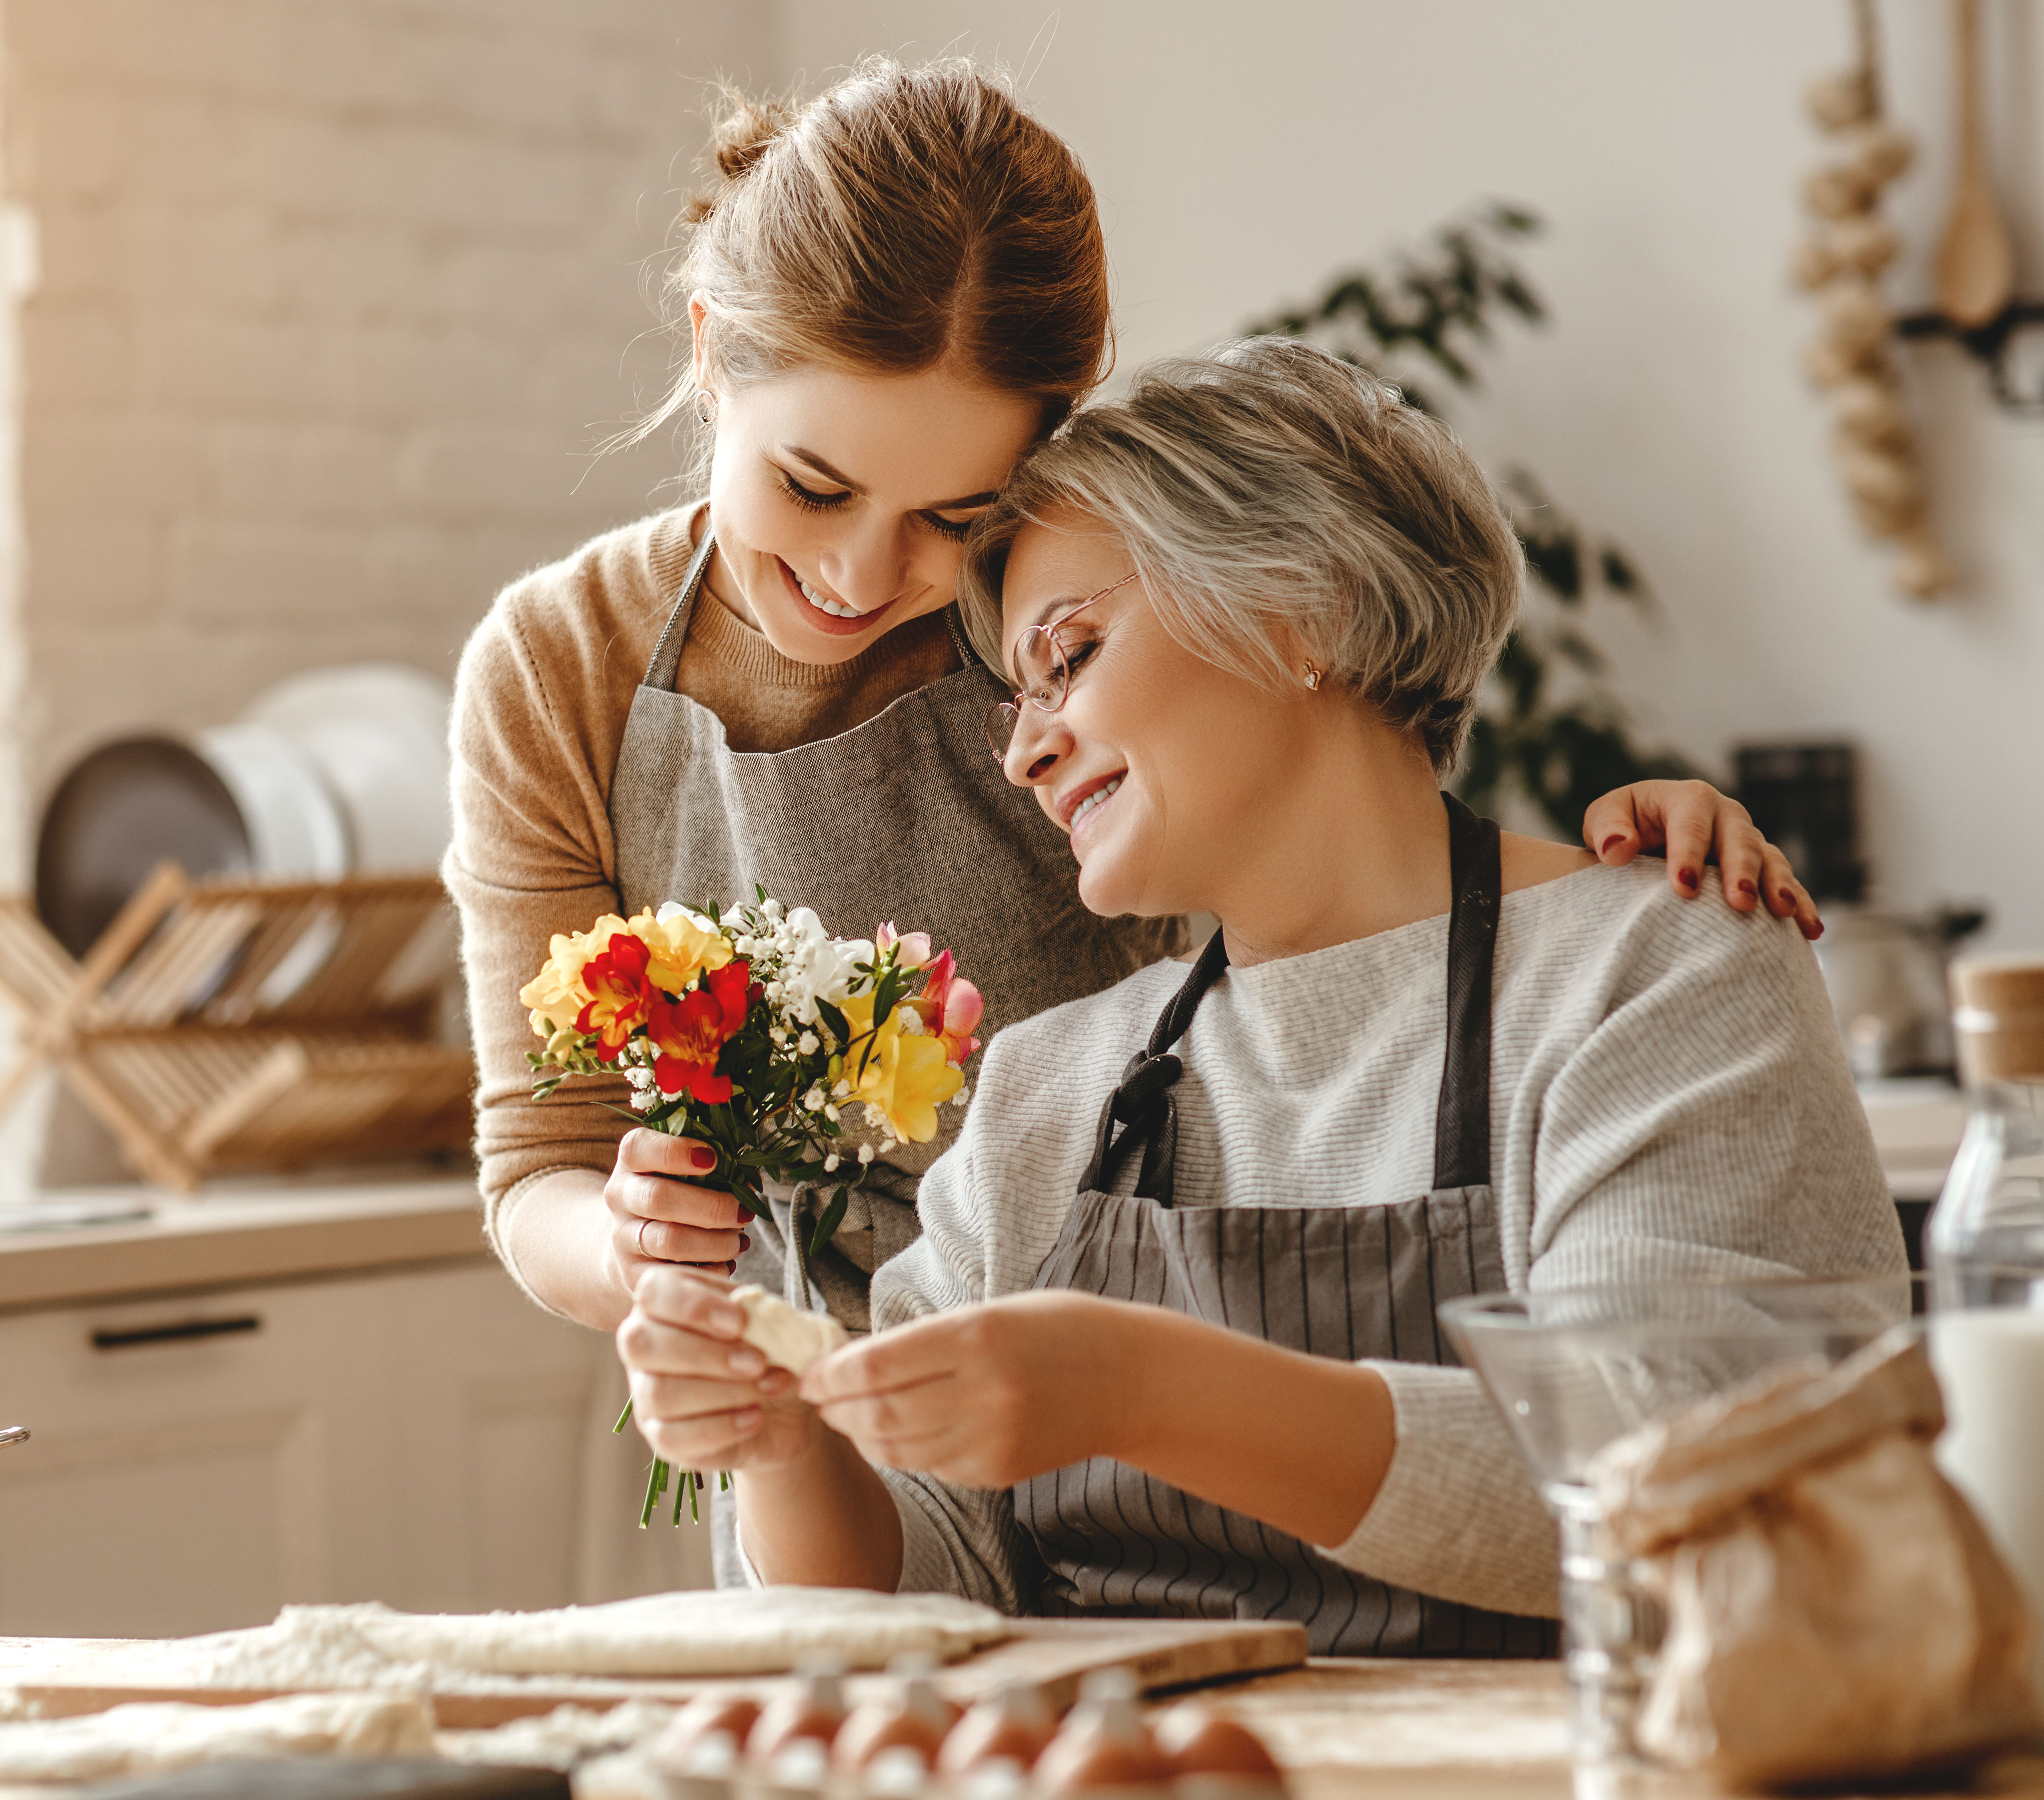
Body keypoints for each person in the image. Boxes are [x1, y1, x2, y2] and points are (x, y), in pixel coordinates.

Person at [448, 57, 1819, 1353]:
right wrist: (641, 1247)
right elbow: (538, 1165)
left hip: (1124, 1371)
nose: (863, 575)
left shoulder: (1070, 609)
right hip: (796, 1410)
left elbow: (1340, 903)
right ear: (708, 355)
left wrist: (1598, 887)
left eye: (954, 513)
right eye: (811, 487)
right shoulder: (558, 671)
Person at [612, 338, 1906, 1646]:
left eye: (1071, 653)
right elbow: (920, 1580)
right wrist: (785, 1446)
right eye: (1015, 697)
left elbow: (1676, 1472)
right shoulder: (1047, 1087)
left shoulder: (1655, 969)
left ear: (1304, 606)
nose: (1025, 749)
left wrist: (1140, 1384)